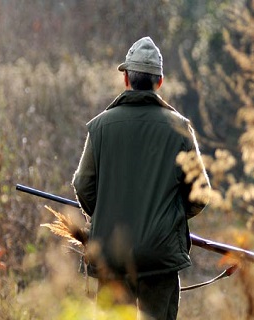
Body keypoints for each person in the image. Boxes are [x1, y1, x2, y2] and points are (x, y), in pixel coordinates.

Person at [72, 36, 210, 320]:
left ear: (126, 80)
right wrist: (171, 218)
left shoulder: (100, 127)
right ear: (160, 82)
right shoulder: (180, 128)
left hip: (112, 255)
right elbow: (200, 195)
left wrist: (104, 215)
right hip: (160, 257)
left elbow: (83, 186)